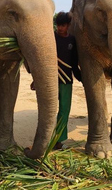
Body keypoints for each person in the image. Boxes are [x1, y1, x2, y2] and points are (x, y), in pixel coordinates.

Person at [32, 11, 81, 150]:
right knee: (48, 111)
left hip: (66, 81)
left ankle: (59, 139)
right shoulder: (51, 37)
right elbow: (41, 60)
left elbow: (74, 63)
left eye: (63, 25)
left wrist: (82, 78)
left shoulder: (72, 40)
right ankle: (44, 138)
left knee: (64, 111)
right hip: (50, 80)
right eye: (58, 25)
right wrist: (36, 79)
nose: (60, 28)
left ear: (68, 26)